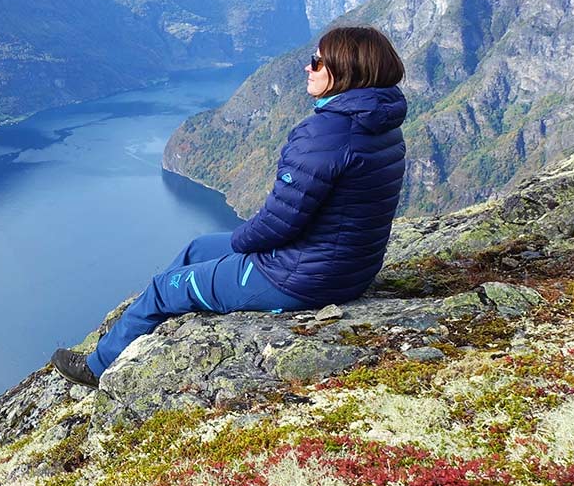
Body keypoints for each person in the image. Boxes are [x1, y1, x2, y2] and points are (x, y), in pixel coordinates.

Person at [50, 26, 409, 388]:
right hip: (345, 268)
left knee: (165, 288)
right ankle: (143, 326)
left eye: (317, 61)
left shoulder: (325, 135)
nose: (307, 67)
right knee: (197, 249)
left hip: (299, 279)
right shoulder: (378, 123)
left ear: (344, 71)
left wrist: (240, 247)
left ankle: (97, 369)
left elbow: (279, 223)